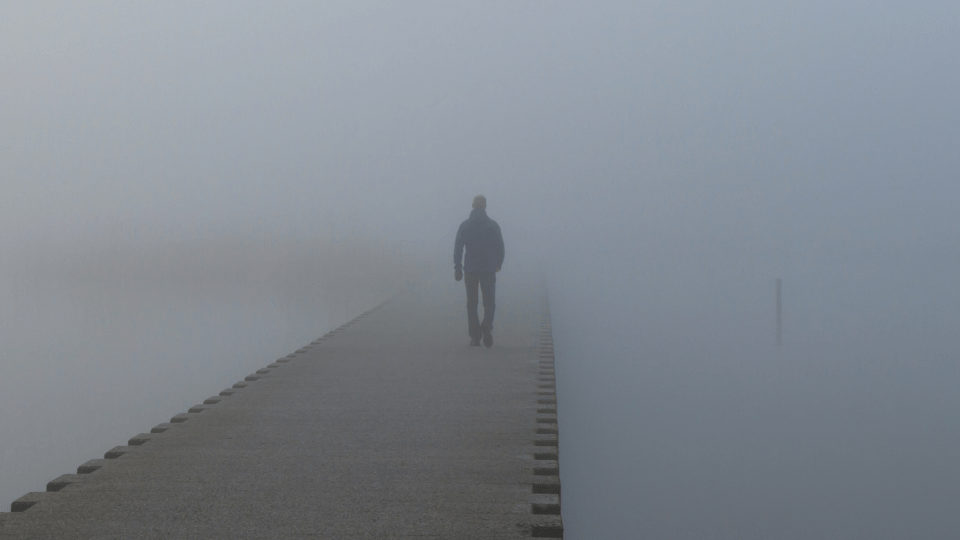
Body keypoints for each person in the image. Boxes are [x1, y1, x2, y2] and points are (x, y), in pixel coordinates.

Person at [454, 195, 504, 347]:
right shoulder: (493, 225)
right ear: (485, 206)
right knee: (489, 302)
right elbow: (500, 247)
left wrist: (458, 268)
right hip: (488, 268)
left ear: (472, 206)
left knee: (472, 303)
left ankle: (475, 337)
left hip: (470, 269)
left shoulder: (465, 225)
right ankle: (487, 325)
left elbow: (458, 248)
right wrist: (498, 263)